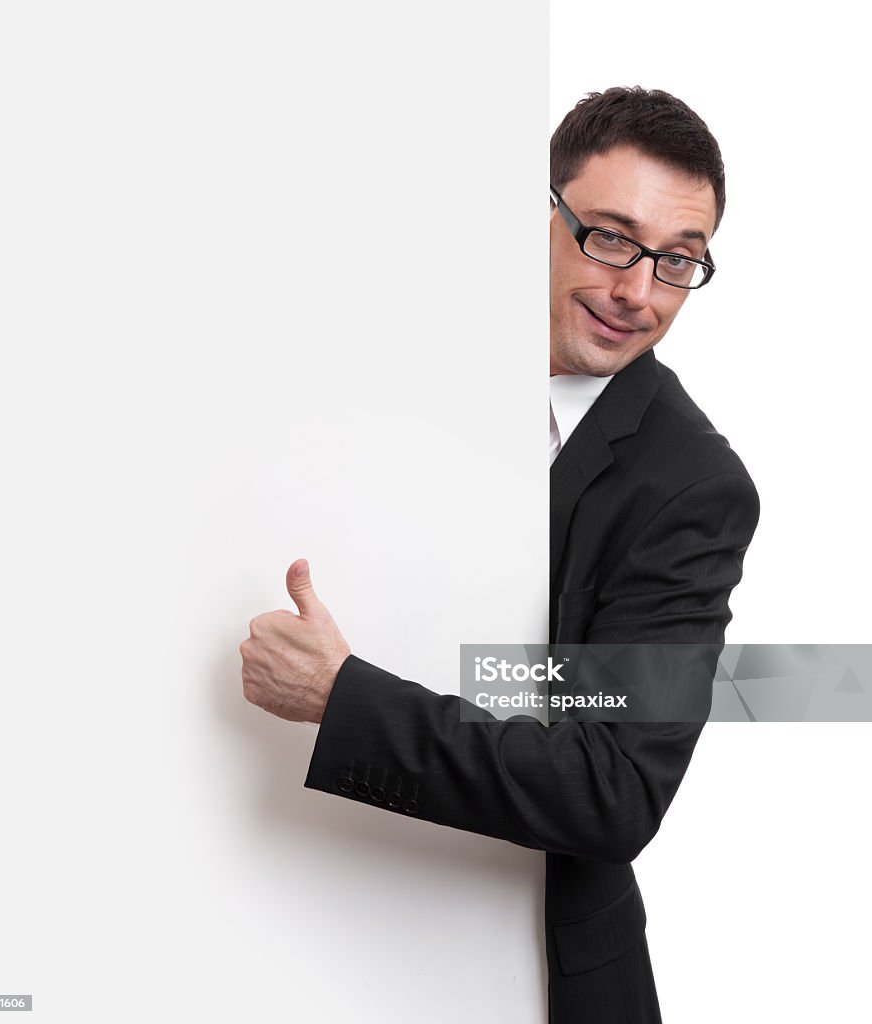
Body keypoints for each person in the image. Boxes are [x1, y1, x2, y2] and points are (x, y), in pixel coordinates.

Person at [240, 87, 760, 1024]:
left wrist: (341, 698)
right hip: (283, 922)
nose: (636, 292)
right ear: (540, 216)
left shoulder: (692, 488)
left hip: (535, 977)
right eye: (609, 237)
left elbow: (614, 790)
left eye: (678, 262)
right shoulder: (371, 349)